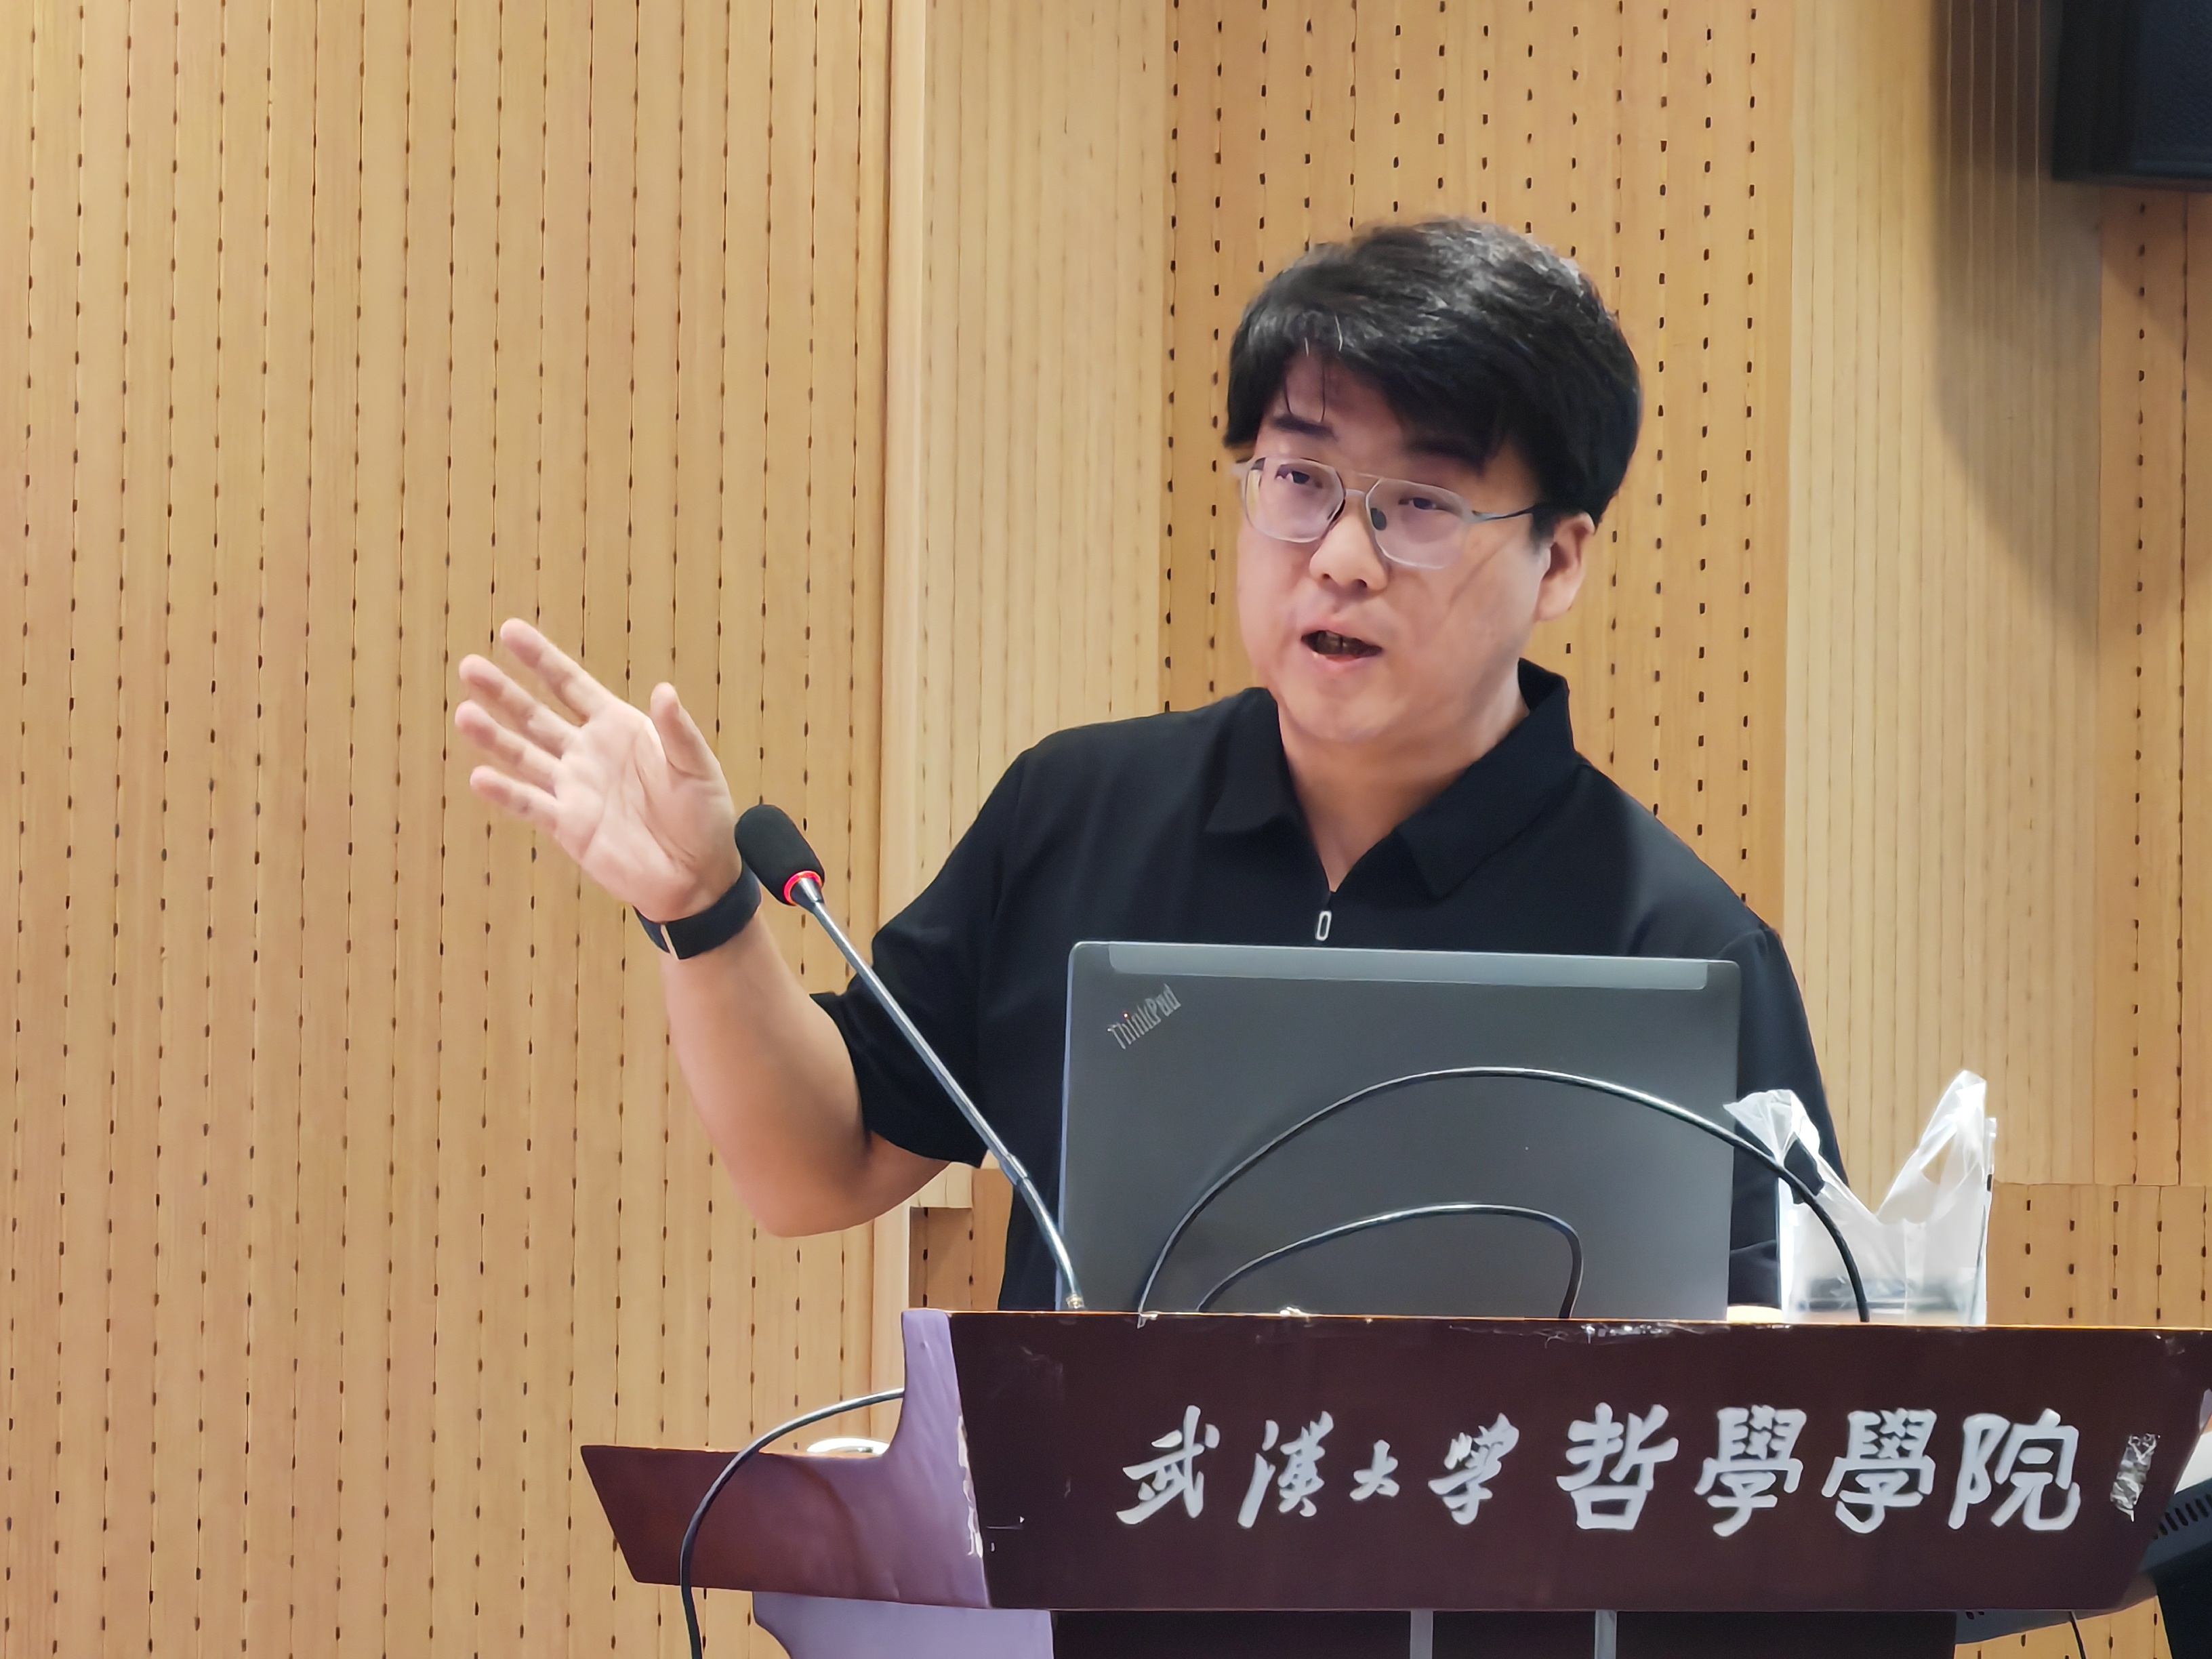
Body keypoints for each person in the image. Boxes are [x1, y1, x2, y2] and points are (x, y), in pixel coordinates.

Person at [454, 217, 1843, 1311]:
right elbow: (828, 1163)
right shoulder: (1079, 814)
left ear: (1561, 558)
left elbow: (1791, 1401)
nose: (1341, 557)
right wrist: (704, 913)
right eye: (1300, 481)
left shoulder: (1681, 952)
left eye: (1420, 503)